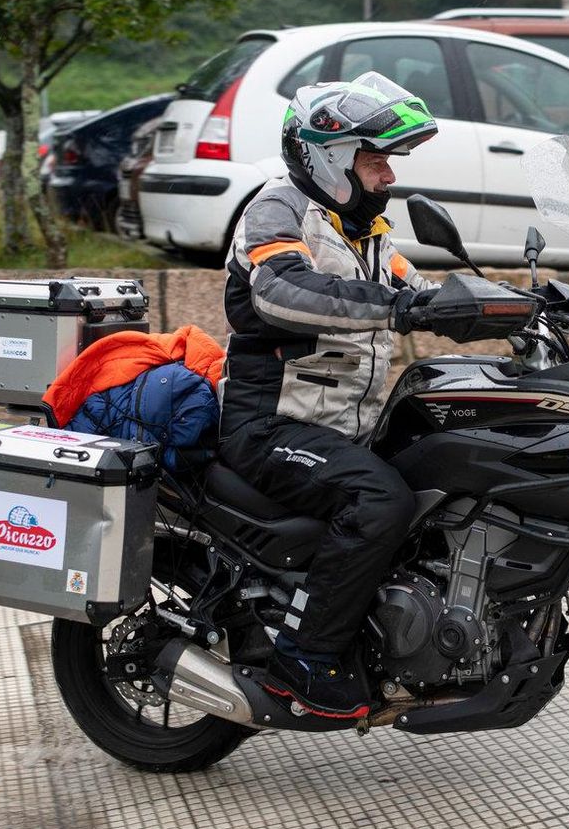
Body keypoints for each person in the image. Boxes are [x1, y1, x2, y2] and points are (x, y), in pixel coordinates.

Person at [219, 72, 442, 719]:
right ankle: (305, 662)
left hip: (339, 426)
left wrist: (516, 308)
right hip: (271, 426)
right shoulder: (277, 209)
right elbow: (284, 290)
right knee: (379, 500)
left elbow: (421, 294)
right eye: (376, 159)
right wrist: (403, 310)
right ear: (331, 154)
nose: (389, 176)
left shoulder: (364, 231)